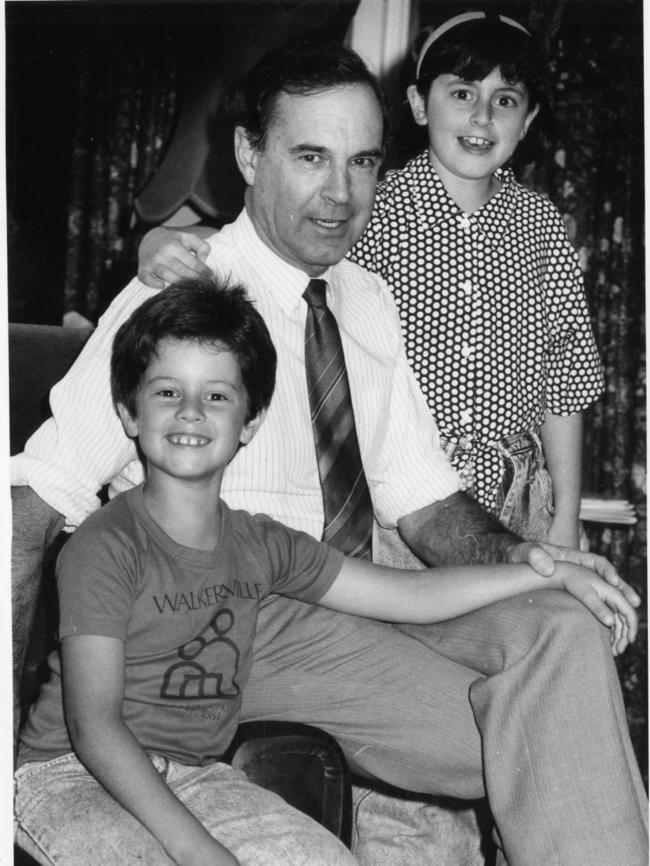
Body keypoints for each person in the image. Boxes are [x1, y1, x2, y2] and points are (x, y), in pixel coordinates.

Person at [11, 39, 648, 866]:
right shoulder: (179, 294)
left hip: (351, 599)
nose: (341, 194)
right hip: (224, 615)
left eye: (363, 162)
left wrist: (535, 554)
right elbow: (31, 512)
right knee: (553, 735)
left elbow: (423, 502)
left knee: (561, 634)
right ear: (249, 154)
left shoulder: (366, 298)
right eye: (311, 156)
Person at [14, 277, 637, 866]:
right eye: (167, 392)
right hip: (71, 775)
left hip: (196, 776)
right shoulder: (105, 545)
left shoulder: (258, 542)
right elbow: (94, 726)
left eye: (217, 396)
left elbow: (409, 595)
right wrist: (199, 850)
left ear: (250, 422)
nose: (191, 413)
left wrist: (545, 572)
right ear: (129, 413)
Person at [139, 11, 601, 550]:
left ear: (527, 119)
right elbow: (275, 249)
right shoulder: (372, 204)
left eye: (506, 100)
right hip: (405, 502)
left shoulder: (541, 223)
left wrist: (567, 514)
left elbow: (566, 380)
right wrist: (158, 243)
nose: (482, 118)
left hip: (521, 493)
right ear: (417, 104)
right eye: (462, 94)